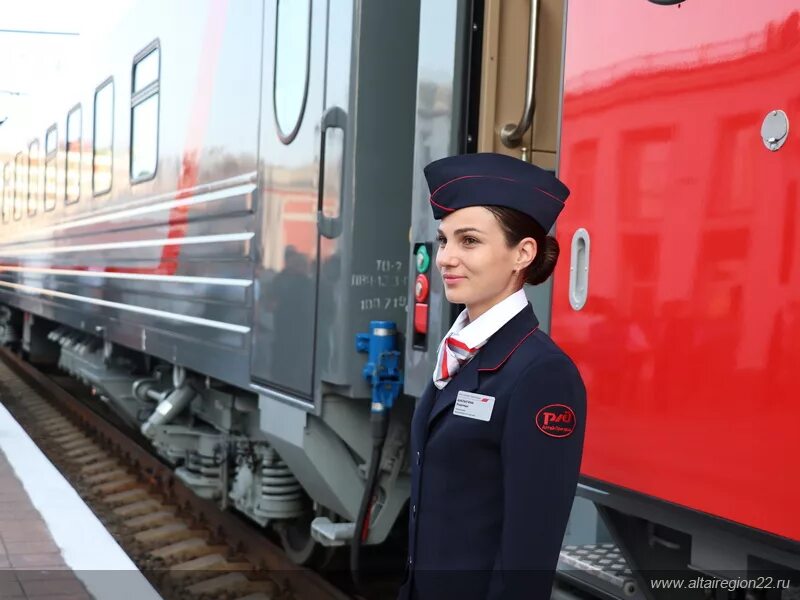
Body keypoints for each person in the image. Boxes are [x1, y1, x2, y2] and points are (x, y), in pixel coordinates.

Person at [398, 153, 587, 600]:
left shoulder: (542, 374)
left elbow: (530, 545)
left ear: (523, 253)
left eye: (469, 241)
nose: (445, 258)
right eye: (444, 240)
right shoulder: (460, 351)